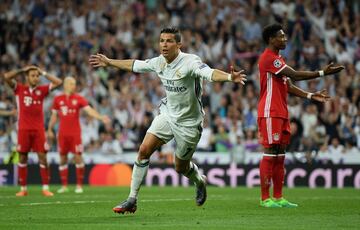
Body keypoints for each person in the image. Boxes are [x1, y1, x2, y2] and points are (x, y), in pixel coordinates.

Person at [89, 27, 247, 214]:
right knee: (144, 150)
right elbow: (134, 64)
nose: (164, 44)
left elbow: (209, 73)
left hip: (189, 124)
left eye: (169, 41)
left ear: (179, 44)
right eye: (162, 40)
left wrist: (229, 77)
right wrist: (109, 62)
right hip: (167, 115)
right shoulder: (159, 62)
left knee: (180, 167)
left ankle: (199, 180)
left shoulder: (190, 61)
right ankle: (132, 199)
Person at [257, 24, 344, 208]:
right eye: (281, 36)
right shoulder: (268, 58)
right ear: (271, 39)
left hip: (281, 111)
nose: (285, 39)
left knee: (280, 155)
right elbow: (295, 75)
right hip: (270, 111)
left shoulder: (278, 59)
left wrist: (311, 96)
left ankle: (278, 197)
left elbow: (288, 85)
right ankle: (265, 199)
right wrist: (321, 73)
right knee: (271, 152)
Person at [3, 65, 62, 196]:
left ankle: (45, 188)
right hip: (23, 129)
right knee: (22, 157)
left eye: (37, 76)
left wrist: (43, 72)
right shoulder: (19, 89)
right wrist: (21, 70)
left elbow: (58, 82)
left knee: (43, 158)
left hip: (38, 129)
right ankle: (23, 189)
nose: (36, 78)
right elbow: (6, 77)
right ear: (27, 77)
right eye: (33, 75)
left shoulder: (42, 90)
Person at [47, 76, 110, 194]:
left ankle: (79, 185)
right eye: (72, 84)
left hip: (75, 133)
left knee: (78, 157)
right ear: (65, 84)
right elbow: (54, 116)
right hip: (62, 134)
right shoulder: (57, 99)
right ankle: (64, 186)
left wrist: (100, 117)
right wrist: (49, 129)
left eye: (74, 84)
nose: (74, 86)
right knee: (63, 158)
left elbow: (89, 110)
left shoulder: (78, 98)